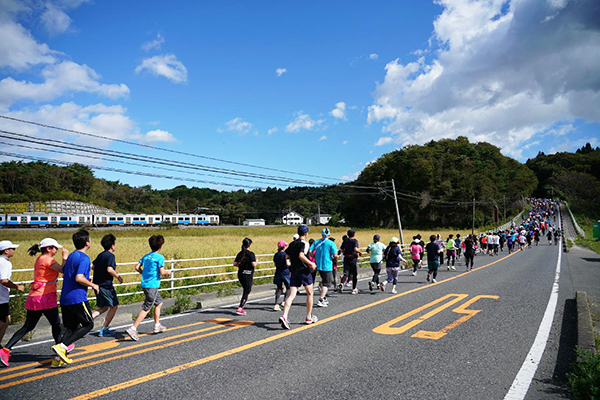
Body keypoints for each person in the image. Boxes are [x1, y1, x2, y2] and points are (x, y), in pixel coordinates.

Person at [2, 239, 70, 368]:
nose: (56, 250)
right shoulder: (48, 259)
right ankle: (60, 350)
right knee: (56, 324)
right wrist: (65, 258)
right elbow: (63, 270)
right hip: (45, 296)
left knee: (28, 326)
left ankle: (5, 350)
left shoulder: (40, 258)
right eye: (55, 248)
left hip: (35, 296)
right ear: (49, 249)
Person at [51, 230, 98, 365]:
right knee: (88, 324)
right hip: (77, 298)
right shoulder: (84, 258)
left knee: (71, 327)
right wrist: (93, 285)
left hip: (65, 297)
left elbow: (67, 274)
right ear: (87, 242)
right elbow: (79, 278)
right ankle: (62, 346)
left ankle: (58, 360)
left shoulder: (72, 256)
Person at [125, 235, 170, 341]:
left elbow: (136, 267)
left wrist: (143, 273)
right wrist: (169, 272)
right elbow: (162, 272)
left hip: (145, 284)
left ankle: (157, 325)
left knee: (159, 303)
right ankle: (133, 328)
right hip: (152, 285)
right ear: (161, 246)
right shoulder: (160, 257)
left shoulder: (146, 256)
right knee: (147, 308)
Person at [279, 225, 317, 329]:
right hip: (304, 271)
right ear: (306, 234)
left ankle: (284, 316)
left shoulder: (292, 244)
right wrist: (311, 263)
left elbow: (286, 256)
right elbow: (301, 255)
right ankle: (309, 316)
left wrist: (289, 262)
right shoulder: (304, 244)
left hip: (294, 272)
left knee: (291, 295)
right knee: (310, 293)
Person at [91, 234, 123, 336]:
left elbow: (93, 266)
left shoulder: (100, 255)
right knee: (114, 306)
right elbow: (109, 269)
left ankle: (85, 322)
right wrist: (118, 277)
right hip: (106, 285)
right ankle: (104, 328)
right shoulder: (110, 256)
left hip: (97, 285)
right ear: (112, 245)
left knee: (104, 307)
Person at [0, 240, 24, 367]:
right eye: (12, 248)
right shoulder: (5, 263)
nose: (14, 250)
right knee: (3, 321)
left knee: (7, 320)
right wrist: (16, 286)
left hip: (2, 298)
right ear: (6, 251)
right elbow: (4, 280)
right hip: (1, 299)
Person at [310, 228, 338, 307]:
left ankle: (324, 297)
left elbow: (309, 251)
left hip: (319, 265)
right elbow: (335, 255)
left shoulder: (316, 242)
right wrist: (337, 256)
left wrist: (315, 256)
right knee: (327, 283)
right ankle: (321, 299)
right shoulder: (331, 243)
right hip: (327, 265)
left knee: (324, 280)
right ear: (329, 235)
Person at [233, 238, 257, 316]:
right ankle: (240, 307)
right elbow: (253, 264)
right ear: (249, 245)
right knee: (247, 291)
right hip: (248, 274)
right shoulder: (251, 254)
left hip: (240, 274)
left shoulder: (240, 253)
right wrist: (257, 262)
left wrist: (241, 265)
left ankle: (241, 307)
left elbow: (235, 264)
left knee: (245, 290)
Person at [338, 230, 362, 294]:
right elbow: (355, 249)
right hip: (353, 258)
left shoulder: (345, 241)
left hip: (346, 258)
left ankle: (342, 283)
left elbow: (342, 250)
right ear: (354, 235)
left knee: (346, 273)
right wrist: (360, 252)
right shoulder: (355, 241)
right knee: (354, 274)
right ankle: (354, 289)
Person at [273, 241, 290, 311]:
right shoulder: (285, 254)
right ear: (284, 247)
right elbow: (288, 264)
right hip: (285, 272)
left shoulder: (276, 254)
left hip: (278, 272)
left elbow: (275, 263)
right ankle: (284, 301)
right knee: (288, 287)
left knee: (279, 288)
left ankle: (276, 304)